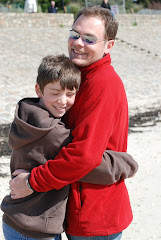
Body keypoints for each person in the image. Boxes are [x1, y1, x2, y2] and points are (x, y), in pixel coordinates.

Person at [9, 7, 138, 240]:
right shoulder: (76, 76)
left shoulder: (103, 83)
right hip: (76, 208)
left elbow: (84, 156)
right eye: (74, 34)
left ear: (108, 46)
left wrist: (31, 182)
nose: (78, 43)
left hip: (94, 214)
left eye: (89, 39)